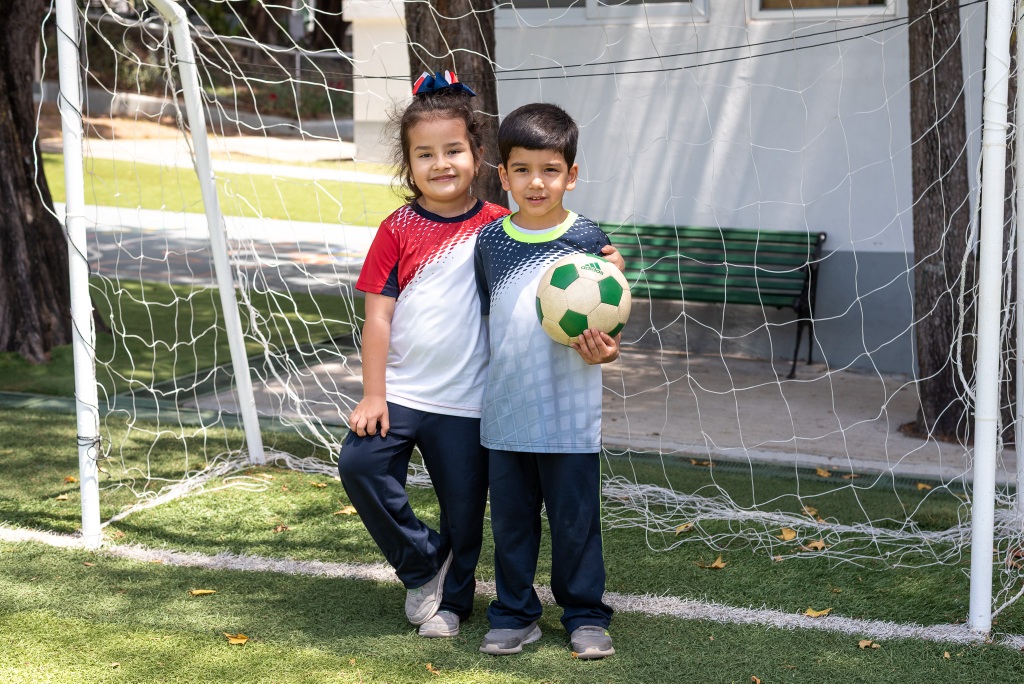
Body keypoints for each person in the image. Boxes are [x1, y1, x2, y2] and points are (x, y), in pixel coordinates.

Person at [338, 73, 624, 640]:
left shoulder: (500, 225)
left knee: (465, 514)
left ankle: (454, 604)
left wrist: (606, 285)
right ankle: (425, 566)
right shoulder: (399, 228)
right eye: (425, 154)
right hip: (401, 392)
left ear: (476, 157)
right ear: (408, 163)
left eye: (453, 150)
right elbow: (378, 316)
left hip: (472, 403)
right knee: (360, 464)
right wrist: (373, 393)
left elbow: (586, 266)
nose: (441, 164)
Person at [473, 102, 619, 660]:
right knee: (511, 527)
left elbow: (609, 332)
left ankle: (584, 614)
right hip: (507, 411)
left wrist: (606, 351)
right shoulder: (490, 242)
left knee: (576, 523)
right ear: (503, 174)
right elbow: (491, 323)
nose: (537, 182)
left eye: (551, 169)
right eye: (523, 169)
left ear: (572, 175)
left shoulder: (588, 240)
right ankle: (513, 613)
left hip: (570, 413)